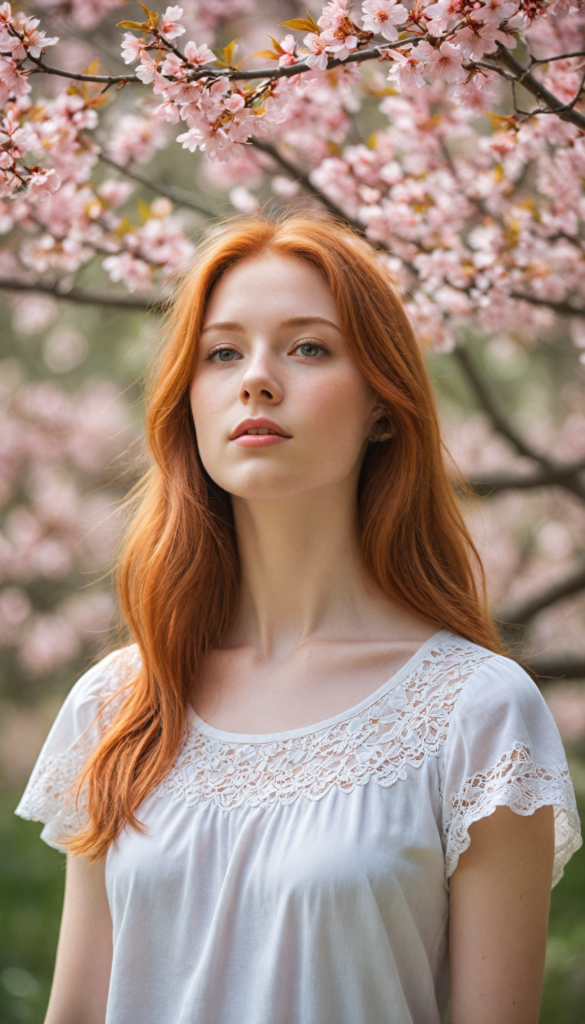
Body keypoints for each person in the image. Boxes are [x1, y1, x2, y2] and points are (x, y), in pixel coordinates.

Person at [16, 214, 581, 1024]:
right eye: (222, 353)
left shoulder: (479, 715)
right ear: (188, 401)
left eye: (308, 348)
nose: (256, 379)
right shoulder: (119, 704)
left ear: (383, 405)